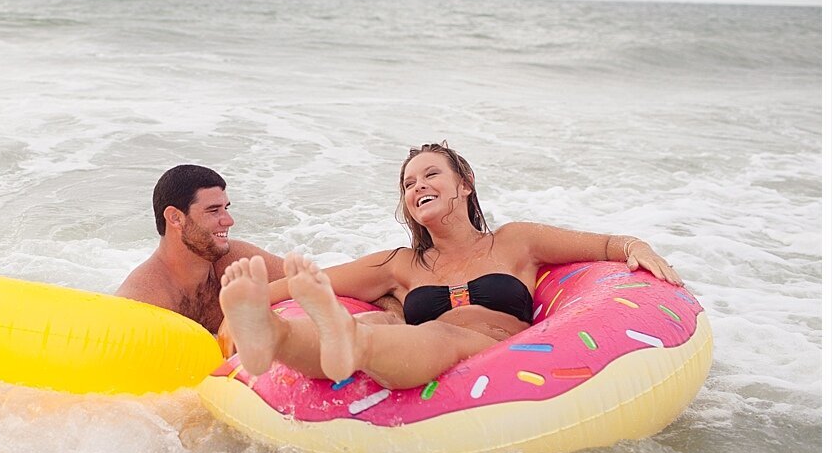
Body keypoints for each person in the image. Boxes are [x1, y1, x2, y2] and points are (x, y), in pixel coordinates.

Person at [218, 141, 683, 388]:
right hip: (411, 343)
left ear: (465, 183)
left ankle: (348, 340)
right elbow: (307, 284)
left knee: (436, 332)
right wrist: (244, 312)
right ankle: (273, 336)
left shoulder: (516, 241)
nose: (417, 185)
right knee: (387, 320)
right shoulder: (399, 264)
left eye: (431, 173)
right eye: (408, 183)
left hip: (491, 347)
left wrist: (635, 246)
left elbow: (603, 245)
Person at [116, 164, 286, 336]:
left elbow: (310, 280)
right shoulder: (144, 300)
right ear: (175, 218)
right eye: (213, 211)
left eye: (225, 208)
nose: (229, 221)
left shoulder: (231, 260)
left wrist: (254, 301)